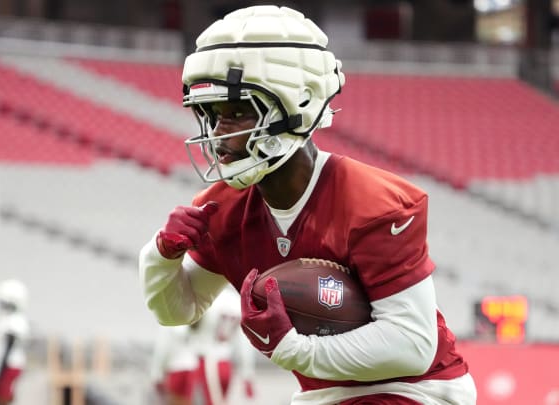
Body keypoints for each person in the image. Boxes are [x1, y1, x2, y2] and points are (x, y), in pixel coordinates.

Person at [138, 5, 477, 405]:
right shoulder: (223, 209)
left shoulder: (372, 204)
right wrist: (161, 256)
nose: (217, 134)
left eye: (236, 112)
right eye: (212, 116)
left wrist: (295, 349)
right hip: (323, 396)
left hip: (415, 390)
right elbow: (178, 311)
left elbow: (411, 344)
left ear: (295, 103)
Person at [149, 287, 255, 405]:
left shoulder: (206, 296)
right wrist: (247, 373)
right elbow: (245, 341)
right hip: (224, 361)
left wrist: (157, 372)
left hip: (205, 360)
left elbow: (179, 331)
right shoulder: (238, 301)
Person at [0, 279, 29, 405]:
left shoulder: (14, 322)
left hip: (7, 366)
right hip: (6, 366)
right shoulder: (9, 320)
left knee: (1, 400)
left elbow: (8, 347)